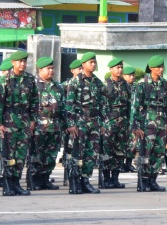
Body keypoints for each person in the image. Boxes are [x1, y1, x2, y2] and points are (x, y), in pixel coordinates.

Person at [63, 52, 109, 194]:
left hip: (94, 122)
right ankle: (75, 179)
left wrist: (102, 123)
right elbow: (69, 104)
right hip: (80, 121)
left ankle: (86, 180)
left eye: (94, 62)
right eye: (90, 62)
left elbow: (103, 104)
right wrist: (71, 124)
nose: (93, 64)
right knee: (78, 152)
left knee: (92, 153)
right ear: (83, 64)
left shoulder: (98, 82)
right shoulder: (75, 82)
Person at [0, 50, 39, 196]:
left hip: (24, 120)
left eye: (24, 61)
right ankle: (7, 183)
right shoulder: (4, 80)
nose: (22, 64)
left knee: (21, 154)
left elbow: (34, 101)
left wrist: (33, 119)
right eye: (19, 61)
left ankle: (16, 182)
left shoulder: (29, 79)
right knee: (9, 153)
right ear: (13, 63)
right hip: (9, 119)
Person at [130, 56, 167, 192]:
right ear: (151, 68)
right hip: (147, 125)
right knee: (146, 154)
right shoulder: (142, 84)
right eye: (158, 67)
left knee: (159, 154)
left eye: (162, 67)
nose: (161, 69)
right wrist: (135, 127)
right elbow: (135, 107)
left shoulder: (165, 84)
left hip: (161, 125)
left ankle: (153, 180)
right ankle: (143, 180)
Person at [32, 56, 64, 191]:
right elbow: (30, 106)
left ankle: (45, 179)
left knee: (51, 155)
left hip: (55, 126)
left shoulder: (58, 87)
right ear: (40, 70)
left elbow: (62, 107)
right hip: (39, 126)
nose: (51, 71)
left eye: (52, 68)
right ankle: (34, 179)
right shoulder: (34, 85)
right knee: (37, 154)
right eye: (48, 68)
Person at [102, 57, 131, 189]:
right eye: (117, 68)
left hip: (123, 123)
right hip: (109, 122)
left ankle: (115, 178)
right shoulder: (106, 85)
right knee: (107, 151)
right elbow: (101, 105)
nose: (119, 70)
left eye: (121, 67)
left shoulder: (126, 85)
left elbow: (131, 105)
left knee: (120, 151)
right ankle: (106, 178)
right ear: (111, 69)